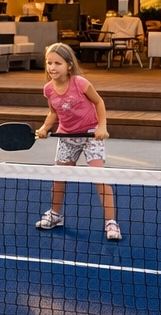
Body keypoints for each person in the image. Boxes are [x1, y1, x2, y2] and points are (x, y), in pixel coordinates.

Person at [33, 42, 121, 241]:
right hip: (66, 137)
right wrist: (45, 128)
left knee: (99, 177)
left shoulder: (80, 83)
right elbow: (54, 112)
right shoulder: (48, 89)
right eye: (49, 63)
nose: (52, 67)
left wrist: (102, 127)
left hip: (90, 135)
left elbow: (99, 102)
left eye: (58, 63)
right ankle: (55, 215)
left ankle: (111, 222)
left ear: (69, 65)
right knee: (59, 177)